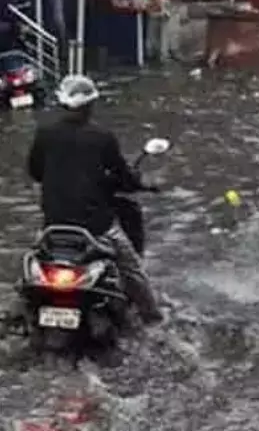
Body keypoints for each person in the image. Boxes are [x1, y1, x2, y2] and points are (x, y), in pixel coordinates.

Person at [26, 75, 164, 324]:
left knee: (31, 263)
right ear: (90, 105)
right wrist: (144, 184)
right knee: (133, 270)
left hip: (53, 225)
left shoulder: (45, 133)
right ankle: (154, 320)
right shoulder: (102, 137)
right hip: (96, 227)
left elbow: (35, 172)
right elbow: (123, 176)